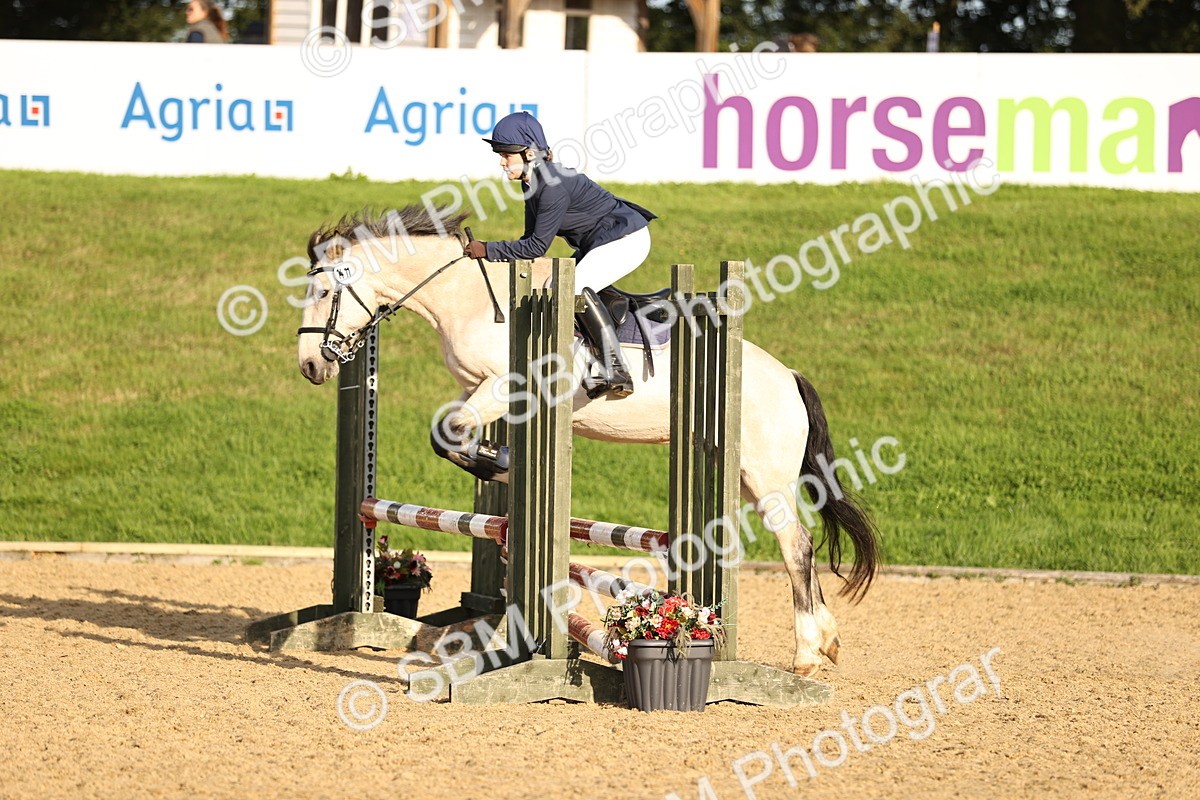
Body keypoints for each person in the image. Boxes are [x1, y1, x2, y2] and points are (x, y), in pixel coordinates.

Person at [465, 112, 656, 398]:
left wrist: (488, 249)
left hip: (626, 240)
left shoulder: (551, 186)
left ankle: (616, 369)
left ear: (529, 153)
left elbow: (535, 248)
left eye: (506, 155)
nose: (502, 162)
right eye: (500, 154)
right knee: (559, 287)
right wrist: (494, 257)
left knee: (571, 290)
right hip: (602, 242)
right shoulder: (532, 183)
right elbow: (528, 241)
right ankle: (593, 360)